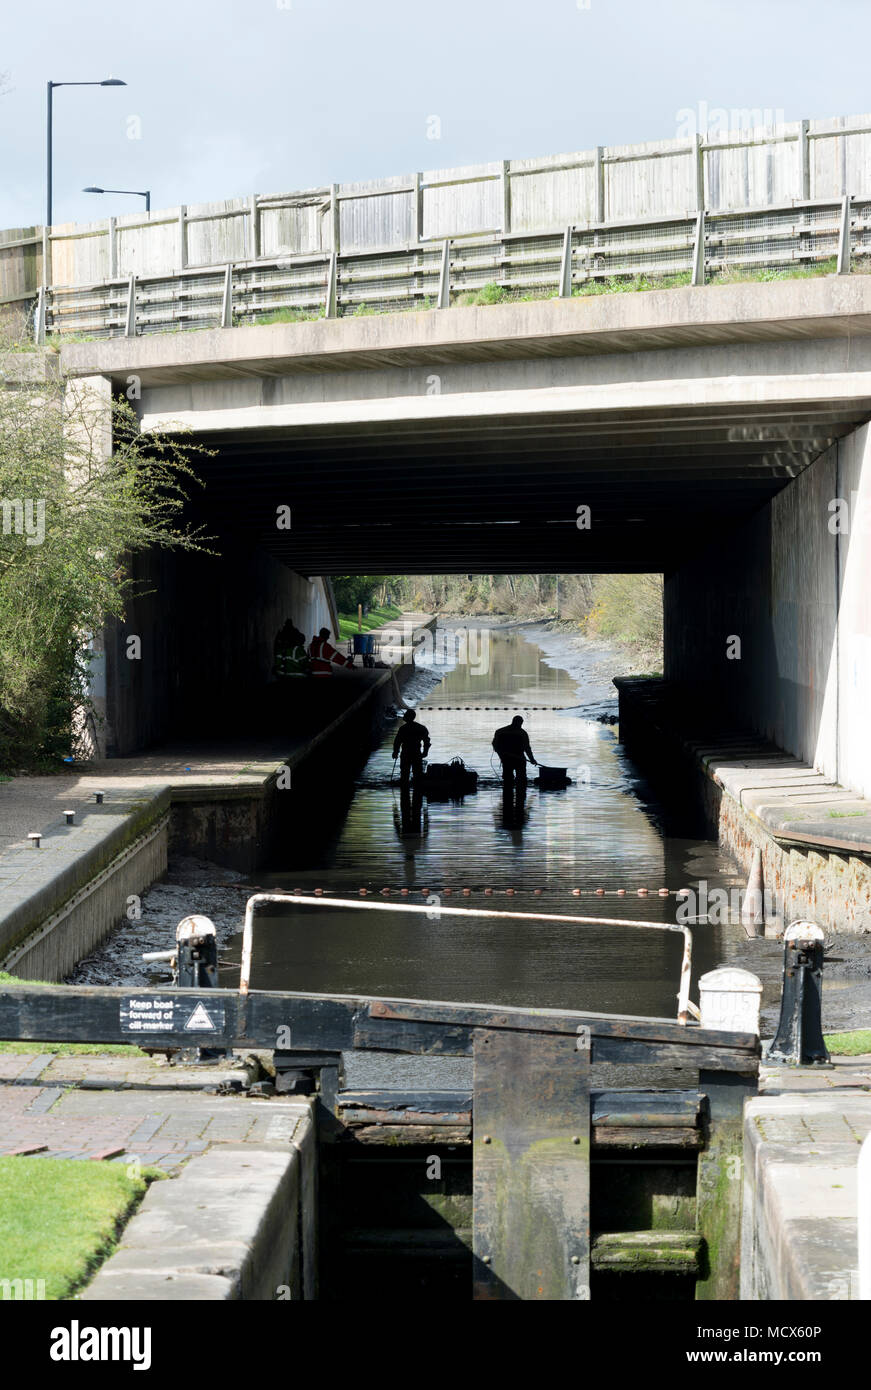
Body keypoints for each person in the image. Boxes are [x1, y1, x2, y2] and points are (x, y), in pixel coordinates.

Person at [492, 714, 538, 792]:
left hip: (509, 758)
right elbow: (527, 748)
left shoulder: (501, 731)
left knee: (510, 778)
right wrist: (532, 759)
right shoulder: (522, 733)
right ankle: (519, 795)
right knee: (518, 778)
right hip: (514, 758)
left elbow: (495, 745)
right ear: (520, 723)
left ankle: (508, 794)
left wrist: (501, 754)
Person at [392, 708, 430, 789]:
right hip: (416, 753)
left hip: (406, 754)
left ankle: (404, 794)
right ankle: (417, 794)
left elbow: (397, 742)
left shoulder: (403, 729)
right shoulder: (421, 728)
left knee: (404, 775)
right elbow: (426, 741)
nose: (404, 716)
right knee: (417, 775)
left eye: (405, 715)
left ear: (408, 717)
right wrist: (425, 752)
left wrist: (395, 752)